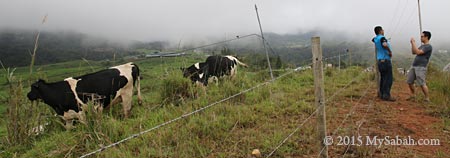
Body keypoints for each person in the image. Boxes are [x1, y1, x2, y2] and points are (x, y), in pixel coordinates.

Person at [407, 31, 433, 102]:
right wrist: (412, 44)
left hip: (421, 67)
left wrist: (413, 43)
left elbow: (418, 52)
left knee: (422, 83)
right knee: (409, 81)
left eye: (422, 36)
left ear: (426, 37)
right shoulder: (422, 46)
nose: (421, 38)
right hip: (414, 65)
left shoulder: (428, 46)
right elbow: (413, 52)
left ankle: (427, 98)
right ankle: (413, 95)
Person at [372, 26, 395, 101]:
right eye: (382, 30)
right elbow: (384, 44)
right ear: (381, 31)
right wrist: (389, 51)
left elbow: (373, 39)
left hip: (380, 61)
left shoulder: (376, 39)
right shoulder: (382, 38)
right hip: (385, 60)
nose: (383, 31)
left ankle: (382, 94)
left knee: (383, 78)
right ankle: (386, 95)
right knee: (388, 79)